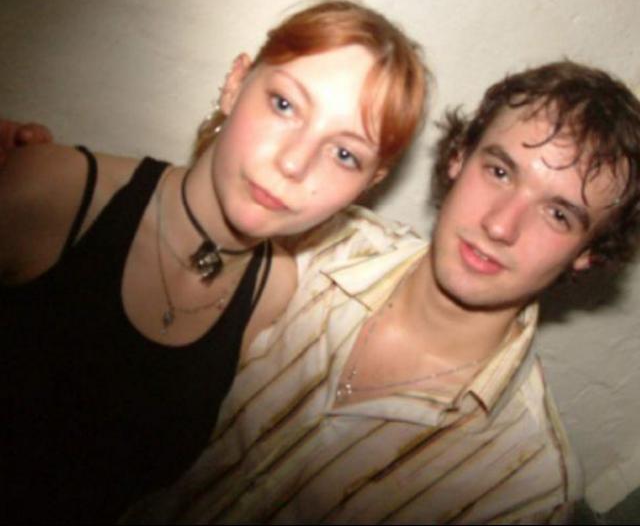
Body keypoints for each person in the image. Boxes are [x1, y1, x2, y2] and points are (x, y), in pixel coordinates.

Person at [120, 60, 640, 524]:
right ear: (459, 158)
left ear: (588, 253)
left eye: (558, 214)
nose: (501, 225)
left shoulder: (523, 490)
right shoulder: (309, 243)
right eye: (500, 171)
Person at [0, 0, 429, 523]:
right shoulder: (54, 193)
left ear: (368, 185)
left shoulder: (274, 298)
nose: (293, 163)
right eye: (285, 105)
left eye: (344, 154)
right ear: (235, 83)